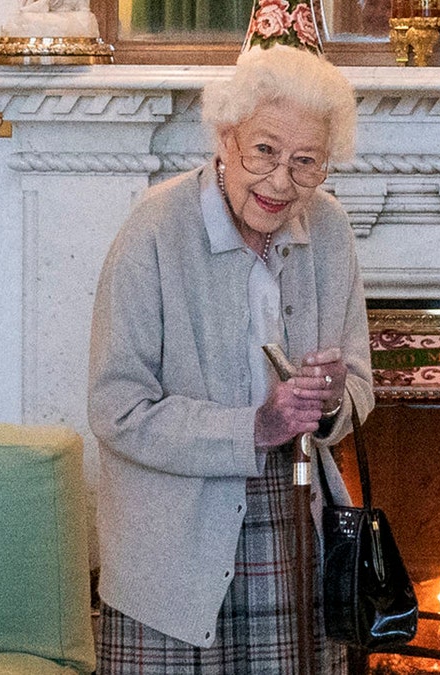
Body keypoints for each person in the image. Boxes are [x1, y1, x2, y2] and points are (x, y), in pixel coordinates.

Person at [88, 44, 374, 674]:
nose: (280, 182)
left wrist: (328, 401)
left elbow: (358, 383)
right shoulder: (155, 230)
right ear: (224, 136)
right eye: (264, 151)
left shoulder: (328, 231)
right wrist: (255, 426)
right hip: (171, 545)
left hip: (295, 512)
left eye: (306, 163)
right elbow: (117, 409)